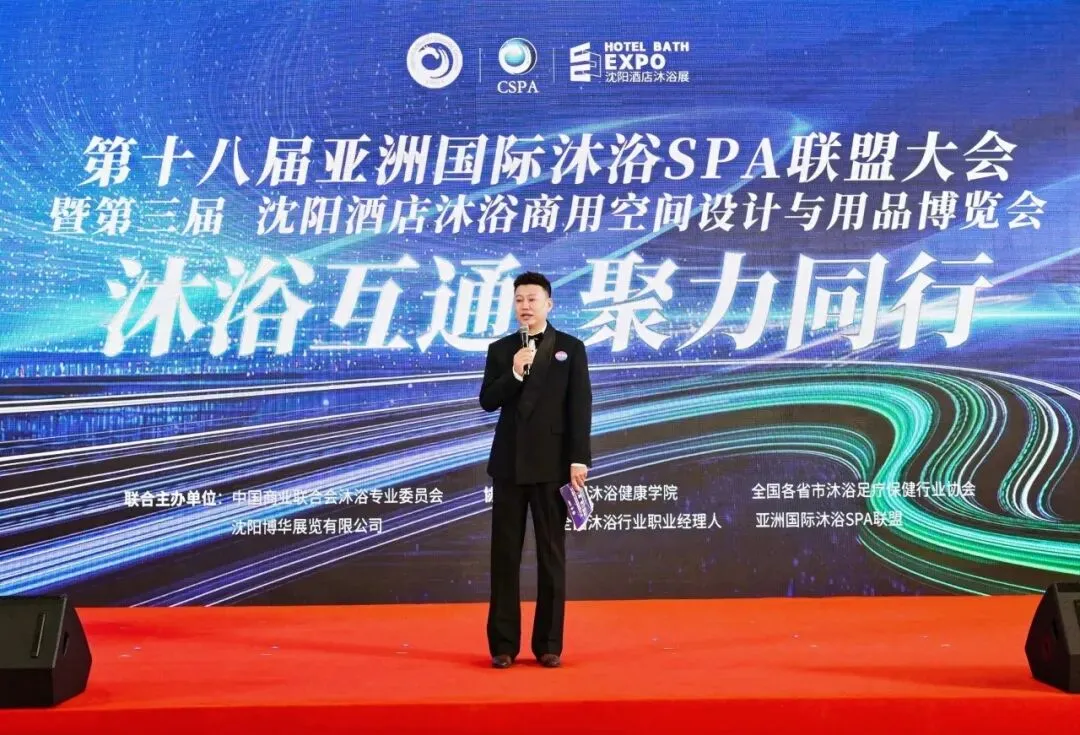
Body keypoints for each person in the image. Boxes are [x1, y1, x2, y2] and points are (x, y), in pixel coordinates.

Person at [478, 271, 593, 669]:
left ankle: (548, 643)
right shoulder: (501, 349)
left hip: (553, 466)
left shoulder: (570, 348)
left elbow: (580, 407)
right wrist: (513, 373)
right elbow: (487, 401)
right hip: (508, 466)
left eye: (532, 299)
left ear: (549, 304)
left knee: (551, 555)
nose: (525, 306)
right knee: (504, 556)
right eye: (519, 300)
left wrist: (579, 459)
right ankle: (503, 645)